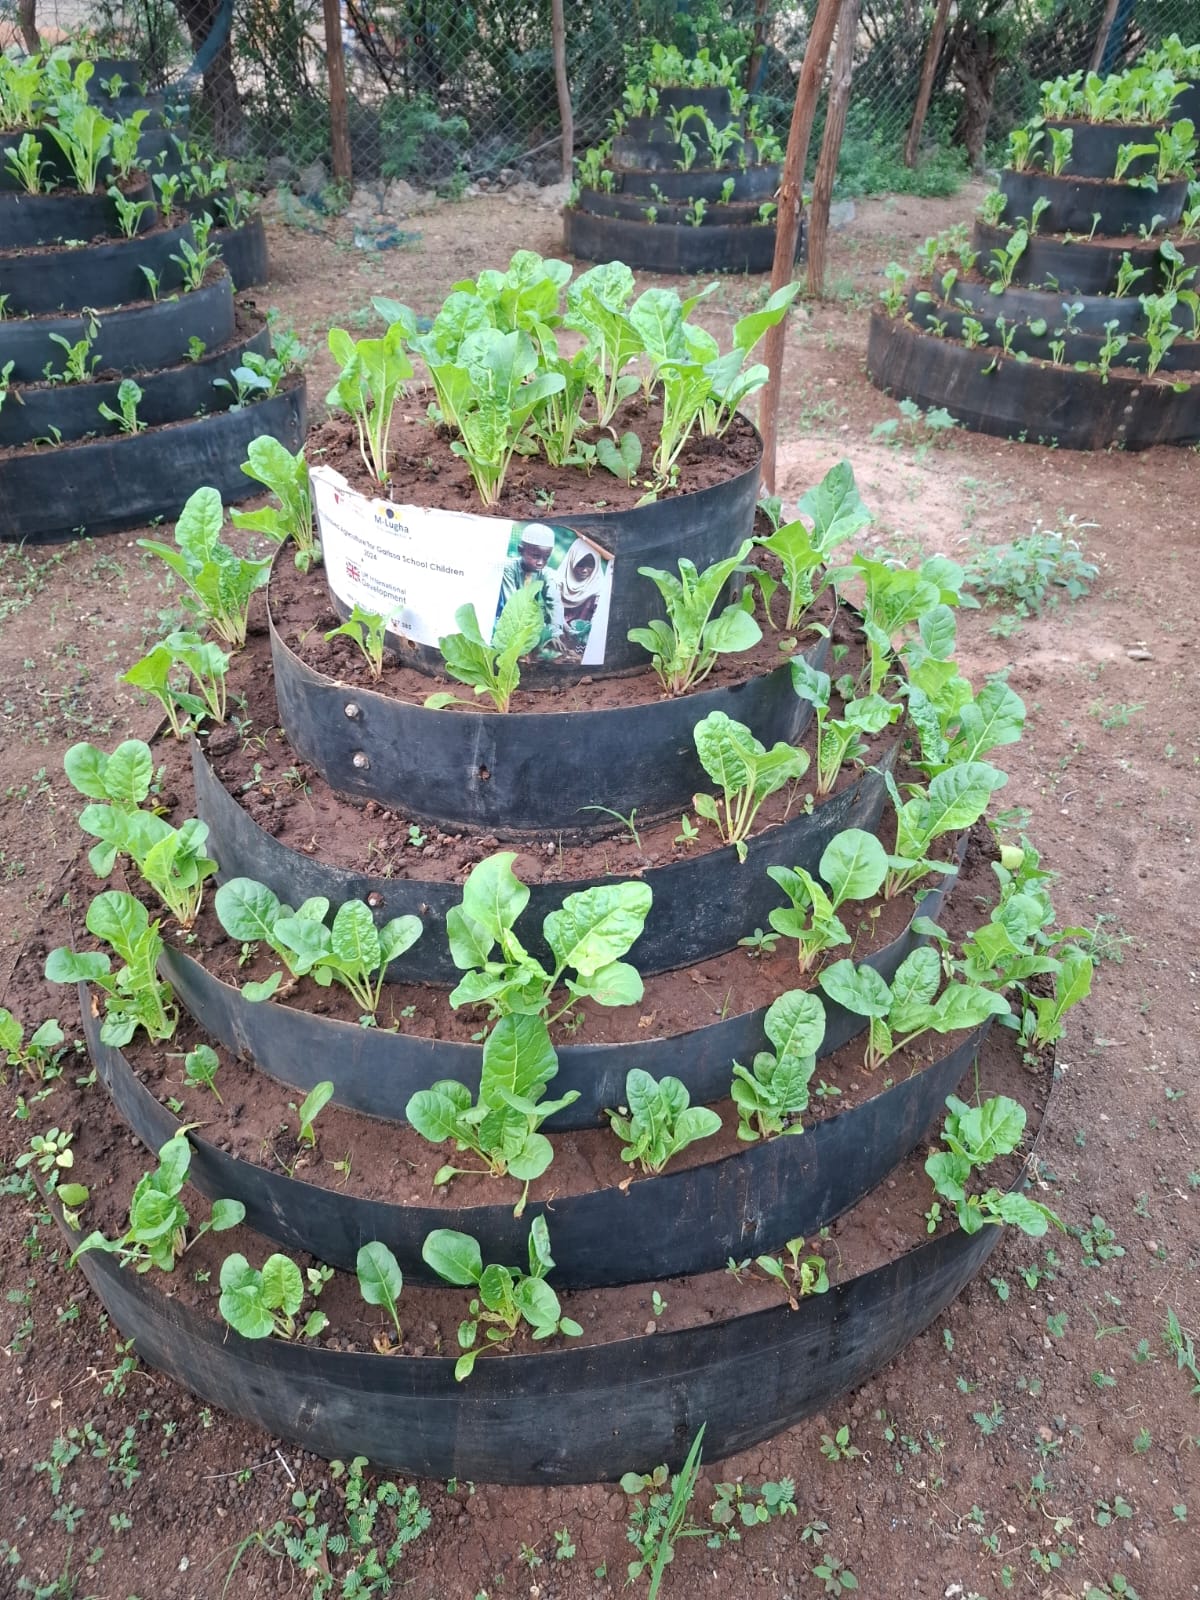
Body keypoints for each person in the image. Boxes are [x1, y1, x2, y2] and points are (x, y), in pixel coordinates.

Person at [496, 523, 564, 646]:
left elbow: (554, 603)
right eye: (536, 556)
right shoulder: (509, 569)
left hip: (529, 621)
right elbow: (512, 603)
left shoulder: (546, 573)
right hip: (506, 619)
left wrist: (554, 633)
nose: (541, 562)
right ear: (521, 550)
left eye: (546, 557)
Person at [554, 538, 607, 660]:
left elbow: (597, 615)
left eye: (590, 566)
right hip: (559, 628)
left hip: (583, 634)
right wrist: (565, 628)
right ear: (573, 560)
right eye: (580, 564)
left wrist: (585, 633)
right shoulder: (558, 580)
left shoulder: (598, 583)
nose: (584, 570)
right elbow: (553, 607)